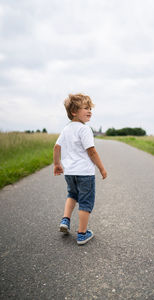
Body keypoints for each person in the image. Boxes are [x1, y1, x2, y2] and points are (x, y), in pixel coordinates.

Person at [53, 93, 107, 245]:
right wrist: (102, 168)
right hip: (84, 173)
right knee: (85, 201)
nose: (90, 111)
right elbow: (92, 151)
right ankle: (82, 234)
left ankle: (65, 219)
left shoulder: (66, 129)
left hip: (70, 172)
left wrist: (57, 164)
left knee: (72, 194)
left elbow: (57, 147)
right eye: (85, 108)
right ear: (74, 112)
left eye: (90, 108)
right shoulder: (84, 130)